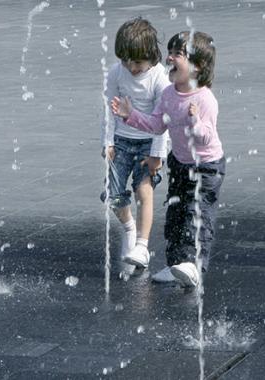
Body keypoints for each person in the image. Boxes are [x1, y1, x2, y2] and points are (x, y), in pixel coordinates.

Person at [111, 31, 225, 287]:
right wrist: (130, 116)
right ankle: (176, 265)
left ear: (198, 66)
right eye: (170, 52)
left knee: (196, 215)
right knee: (175, 215)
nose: (169, 57)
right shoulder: (169, 94)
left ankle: (194, 265)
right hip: (181, 163)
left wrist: (194, 122)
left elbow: (206, 138)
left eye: (178, 54)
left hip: (206, 167)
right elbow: (156, 125)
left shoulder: (205, 99)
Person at [100, 17, 169, 273]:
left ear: (151, 55)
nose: (131, 67)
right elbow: (108, 108)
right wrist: (107, 141)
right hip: (121, 141)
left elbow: (164, 120)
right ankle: (129, 226)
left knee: (144, 191)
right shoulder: (116, 72)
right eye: (125, 60)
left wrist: (157, 154)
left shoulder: (159, 78)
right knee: (113, 195)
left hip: (148, 143)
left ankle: (142, 245)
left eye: (137, 62)